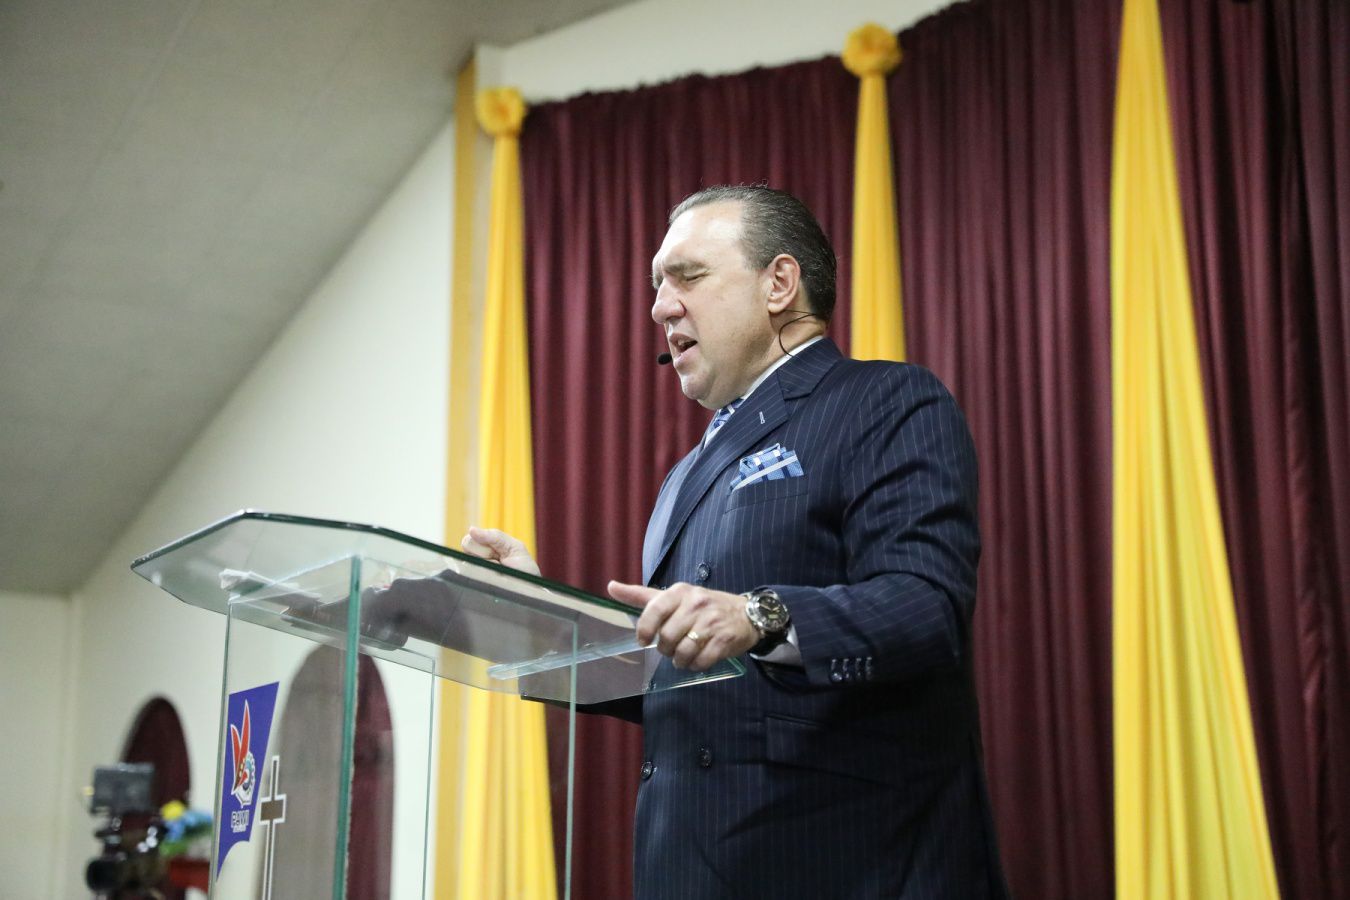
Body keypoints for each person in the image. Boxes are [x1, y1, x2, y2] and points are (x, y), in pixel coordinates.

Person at [463, 185, 1007, 898]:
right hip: (690, 869)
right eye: (657, 285)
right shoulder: (683, 477)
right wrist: (535, 619)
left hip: (847, 867)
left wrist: (757, 614)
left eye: (687, 276)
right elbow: (678, 676)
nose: (660, 307)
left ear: (779, 284)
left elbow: (925, 608)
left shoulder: (886, 401)